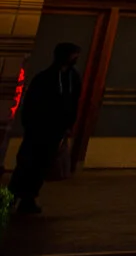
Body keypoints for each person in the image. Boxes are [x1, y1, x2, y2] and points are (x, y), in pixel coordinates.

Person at [7, 42, 81, 215]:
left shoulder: (72, 78)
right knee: (26, 164)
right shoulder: (46, 78)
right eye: (73, 55)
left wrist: (68, 125)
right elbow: (32, 104)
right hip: (38, 128)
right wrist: (30, 125)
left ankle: (28, 198)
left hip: (55, 129)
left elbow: (73, 103)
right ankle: (12, 196)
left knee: (40, 166)